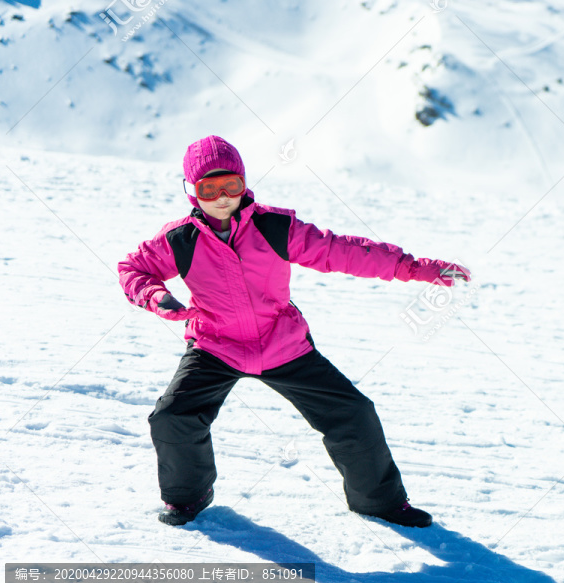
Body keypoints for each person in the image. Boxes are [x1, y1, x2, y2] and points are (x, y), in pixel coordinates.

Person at [118, 135, 470, 528]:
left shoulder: (274, 226)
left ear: (244, 183)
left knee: (353, 414)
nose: (221, 197)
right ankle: (188, 496)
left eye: (231, 185)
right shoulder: (179, 239)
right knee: (172, 418)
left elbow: (342, 250)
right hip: (215, 345)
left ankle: (379, 502)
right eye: (208, 188)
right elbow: (133, 269)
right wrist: (156, 297)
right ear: (191, 191)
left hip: (281, 343)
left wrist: (414, 267)